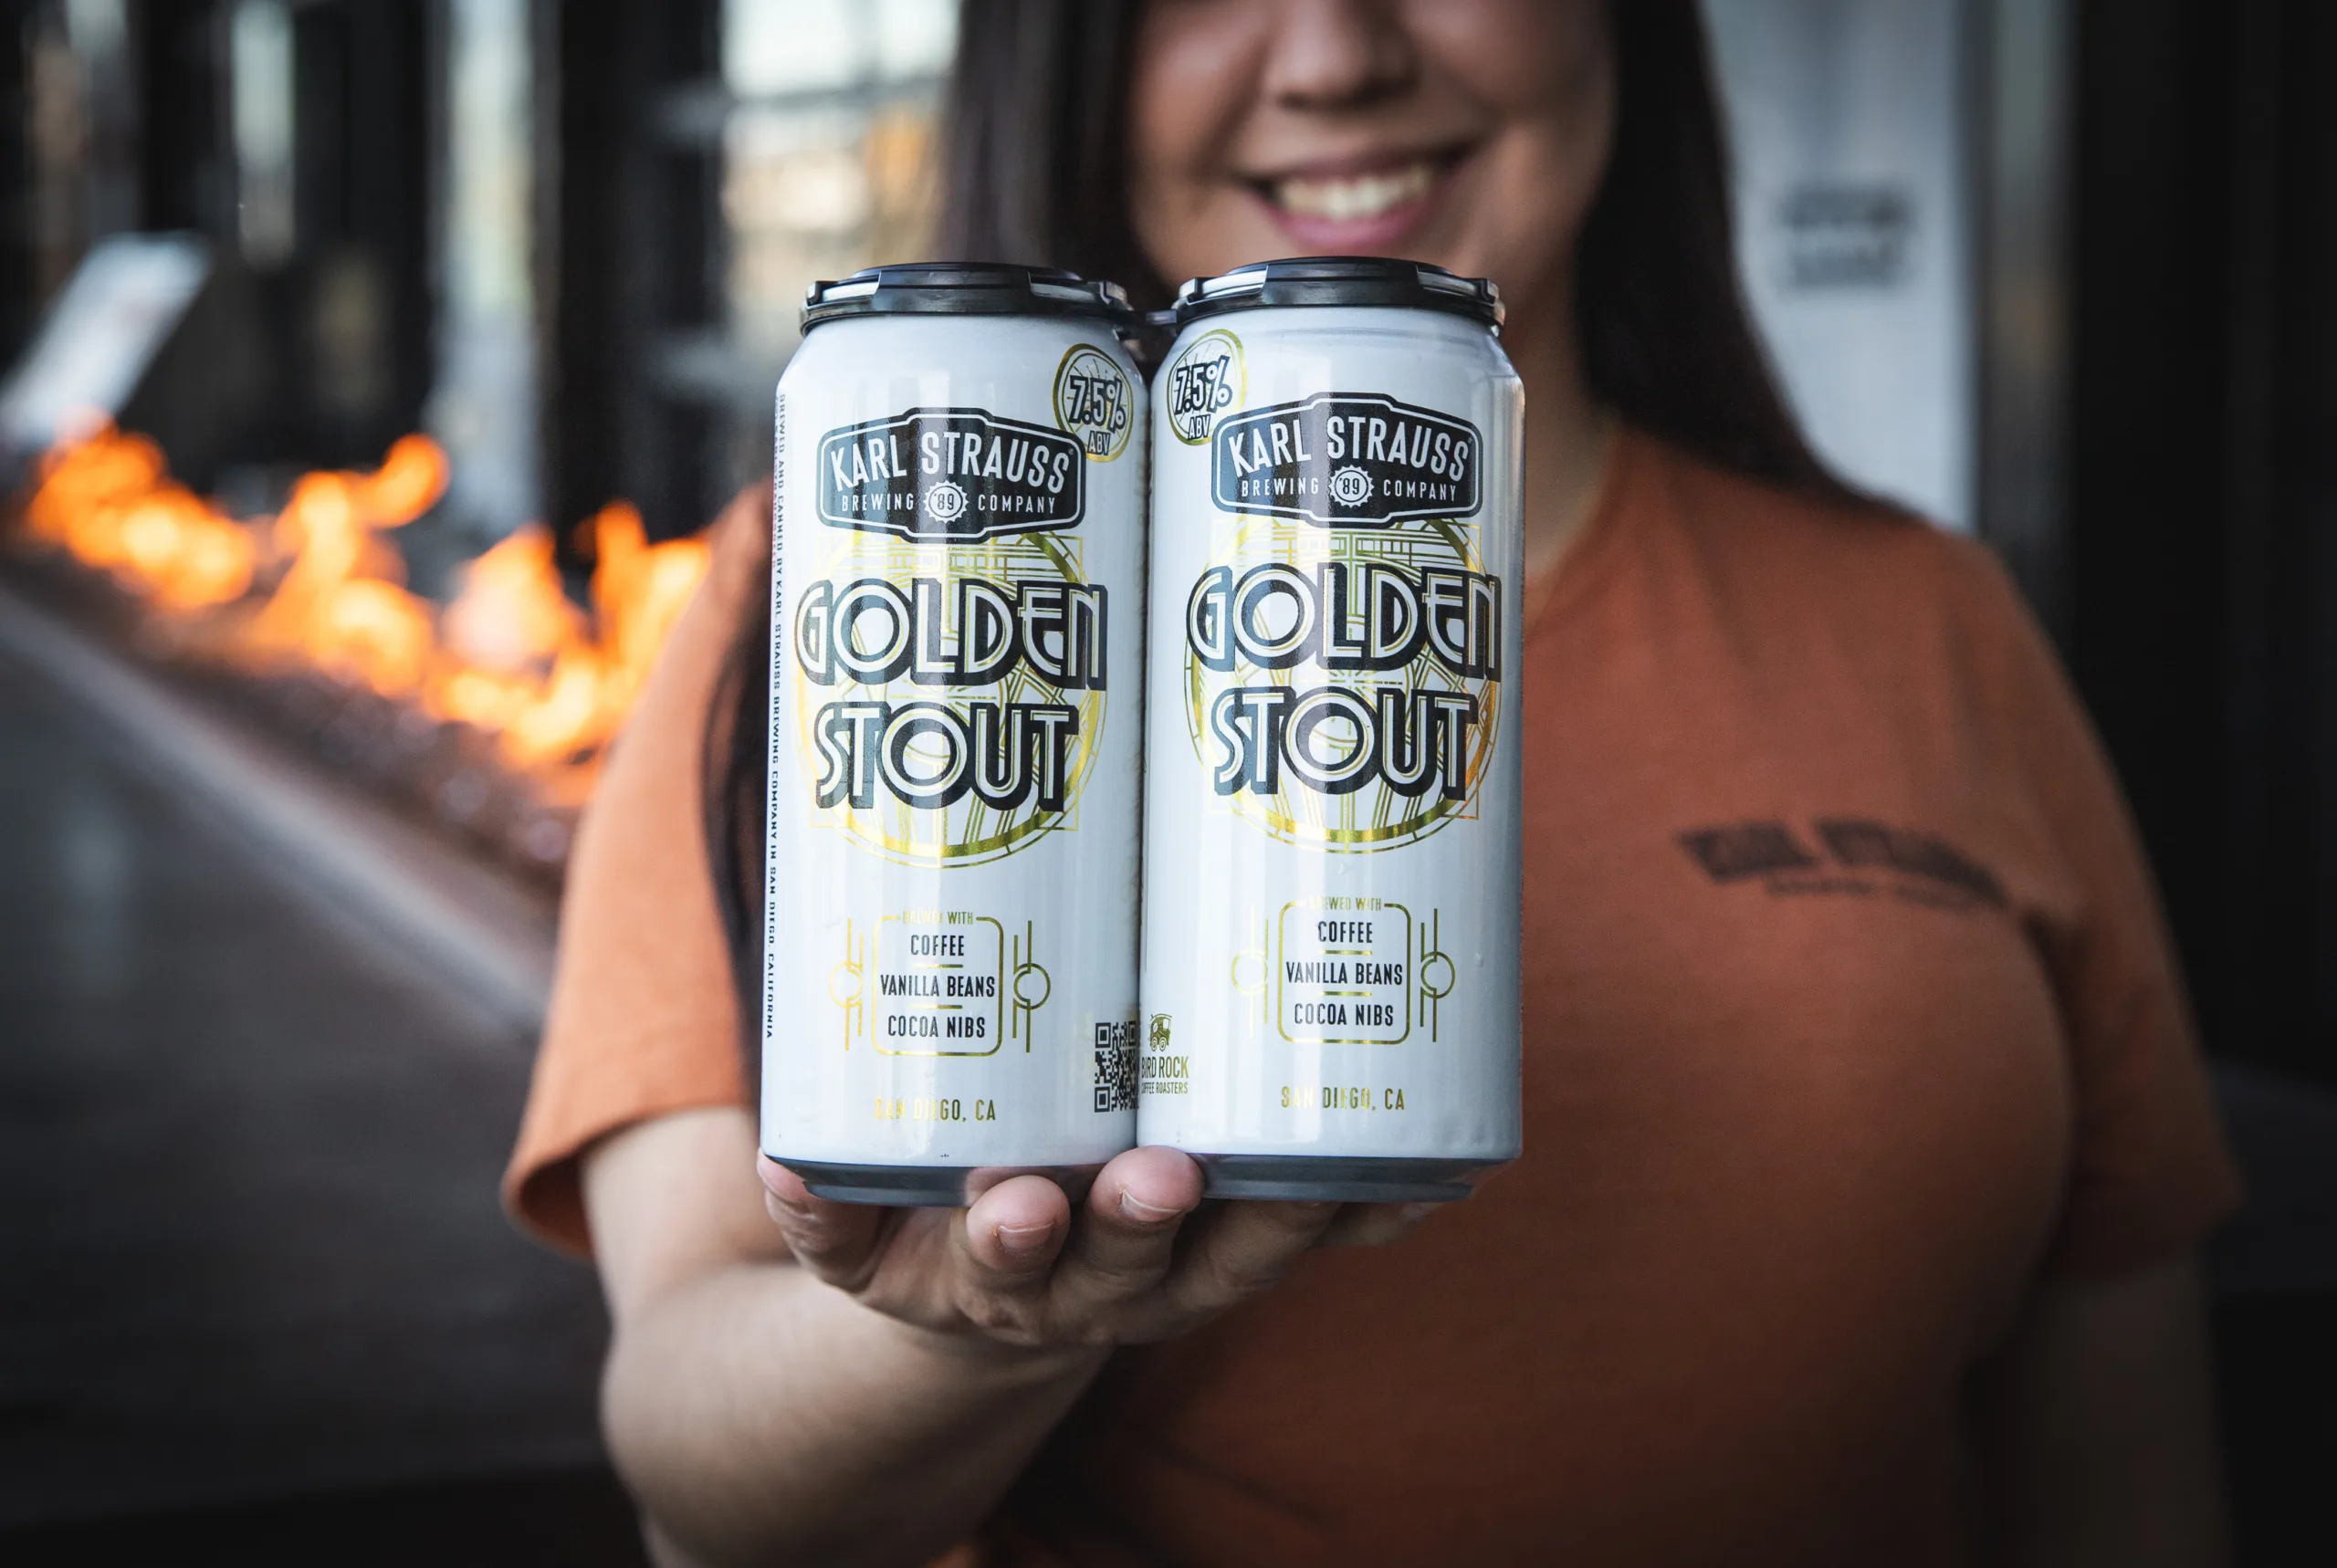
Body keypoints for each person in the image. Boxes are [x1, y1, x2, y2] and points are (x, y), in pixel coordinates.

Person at [506, 3, 2241, 1563]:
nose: (1333, 53)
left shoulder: (1932, 623)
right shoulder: (804, 588)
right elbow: (691, 1469)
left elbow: (2130, 1459)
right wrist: (974, 1329)